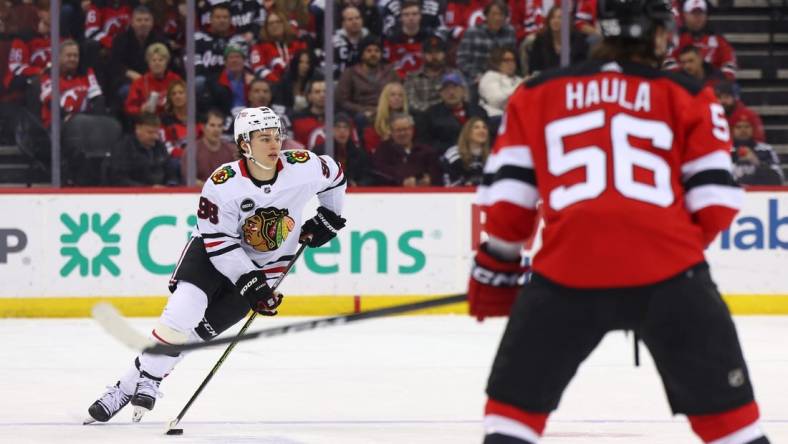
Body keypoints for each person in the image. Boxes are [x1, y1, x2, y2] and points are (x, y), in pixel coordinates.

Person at [467, 0, 770, 442]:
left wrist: (499, 267)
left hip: (565, 275)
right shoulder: (689, 94)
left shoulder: (536, 93)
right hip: (671, 276)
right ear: (661, 35)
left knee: (510, 418)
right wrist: (664, 247)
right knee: (733, 427)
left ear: (598, 32)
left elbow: (510, 201)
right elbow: (716, 200)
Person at [86, 106, 347, 424]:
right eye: (263, 138)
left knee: (199, 334)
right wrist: (251, 282)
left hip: (267, 266)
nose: (274, 143)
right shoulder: (223, 183)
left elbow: (335, 176)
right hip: (211, 254)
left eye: (276, 135)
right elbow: (221, 244)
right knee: (182, 314)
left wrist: (330, 217)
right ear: (245, 144)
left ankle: (131, 384)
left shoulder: (303, 166)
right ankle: (150, 380)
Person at [442, 117, 489, 186]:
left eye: (484, 127)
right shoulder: (454, 154)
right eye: (476, 127)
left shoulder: (493, 156)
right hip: (458, 195)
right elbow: (449, 183)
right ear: (467, 132)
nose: (482, 131)